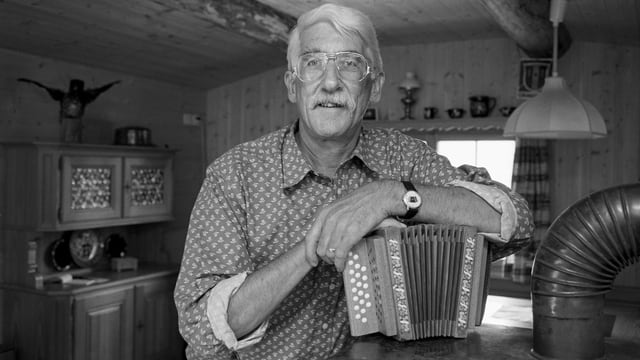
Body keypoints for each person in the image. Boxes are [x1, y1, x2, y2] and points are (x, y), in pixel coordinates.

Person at [174, 4, 534, 360]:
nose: (330, 82)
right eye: (313, 62)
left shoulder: (406, 159)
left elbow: (516, 224)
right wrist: (312, 247)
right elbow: (204, 333)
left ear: (374, 87)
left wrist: (392, 195)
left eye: (349, 63)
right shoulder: (234, 175)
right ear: (292, 85)